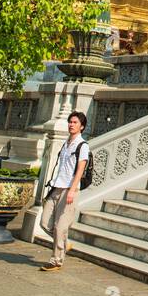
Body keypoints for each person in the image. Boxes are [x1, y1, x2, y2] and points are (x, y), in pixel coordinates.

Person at [39, 111, 89, 271]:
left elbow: (80, 169)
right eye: (70, 122)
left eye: (75, 122)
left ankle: (56, 260)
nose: (71, 125)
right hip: (56, 187)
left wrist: (72, 190)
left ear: (81, 126)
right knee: (45, 222)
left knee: (60, 228)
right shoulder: (66, 143)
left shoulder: (82, 145)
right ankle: (64, 244)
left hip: (69, 190)